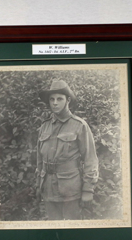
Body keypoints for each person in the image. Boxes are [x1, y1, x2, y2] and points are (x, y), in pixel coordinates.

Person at [36, 80, 98, 220]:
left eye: (59, 99)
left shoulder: (79, 125)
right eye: (52, 99)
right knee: (54, 229)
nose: (55, 103)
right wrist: (38, 185)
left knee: (71, 230)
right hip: (48, 188)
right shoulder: (45, 126)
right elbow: (39, 160)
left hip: (70, 189)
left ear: (68, 100)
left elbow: (90, 159)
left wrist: (88, 189)